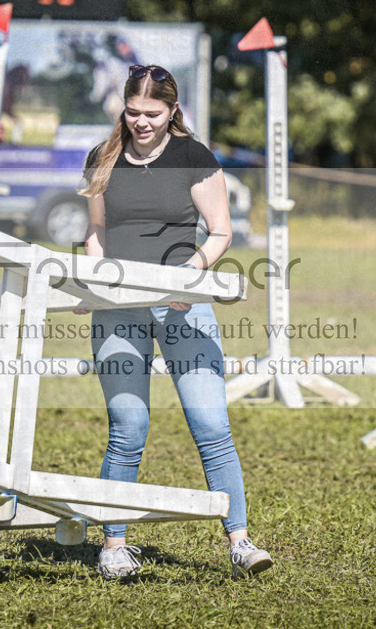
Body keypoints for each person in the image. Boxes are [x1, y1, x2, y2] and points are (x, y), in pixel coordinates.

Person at [79, 64, 272, 580]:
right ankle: (114, 547)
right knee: (128, 427)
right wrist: (96, 281)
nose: (141, 122)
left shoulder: (194, 157)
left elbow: (220, 231)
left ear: (172, 111)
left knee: (211, 426)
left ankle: (241, 542)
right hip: (119, 306)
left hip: (184, 303)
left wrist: (188, 276)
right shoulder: (102, 158)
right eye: (133, 112)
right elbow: (96, 231)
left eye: (152, 113)